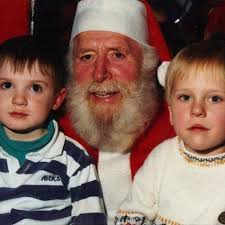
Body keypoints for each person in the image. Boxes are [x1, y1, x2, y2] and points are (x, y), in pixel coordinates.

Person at [59, 0, 175, 224]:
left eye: (117, 55)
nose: (100, 73)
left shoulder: (181, 139)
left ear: (147, 65)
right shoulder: (53, 141)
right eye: (87, 56)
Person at [115, 39, 225, 225]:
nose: (197, 109)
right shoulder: (161, 158)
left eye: (215, 98)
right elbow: (135, 211)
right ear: (171, 112)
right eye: (185, 97)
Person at [0, 35, 106, 225]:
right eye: (7, 85)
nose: (18, 99)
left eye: (35, 88)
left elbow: (90, 218)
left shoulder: (74, 159)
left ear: (57, 99)